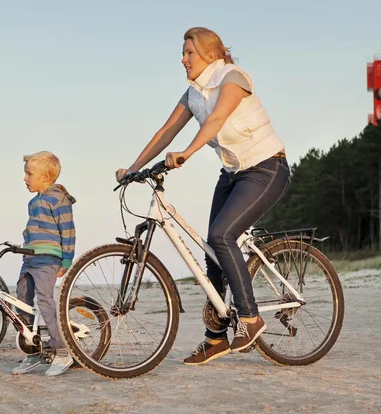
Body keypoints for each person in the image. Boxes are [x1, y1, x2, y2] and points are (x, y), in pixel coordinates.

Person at [115, 27, 291, 365]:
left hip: (267, 168)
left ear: (211, 53)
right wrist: (133, 168)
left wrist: (187, 153)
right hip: (232, 173)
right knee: (212, 251)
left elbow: (217, 118)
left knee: (221, 235)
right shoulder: (193, 92)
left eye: (189, 53)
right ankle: (215, 338)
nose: (183, 59)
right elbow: (166, 131)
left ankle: (251, 319)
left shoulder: (233, 76)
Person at [12, 151, 77, 377]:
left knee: (45, 301)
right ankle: (32, 352)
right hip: (29, 259)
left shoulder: (59, 199)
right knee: (21, 303)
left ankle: (62, 351)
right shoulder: (33, 202)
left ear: (46, 176)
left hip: (48, 259)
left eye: (29, 174)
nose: (25, 178)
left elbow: (67, 230)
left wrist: (67, 259)